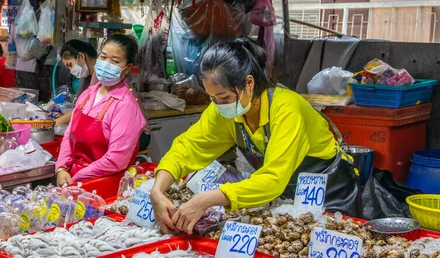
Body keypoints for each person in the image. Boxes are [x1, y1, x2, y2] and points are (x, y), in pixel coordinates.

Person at [150, 38, 359, 234]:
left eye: (224, 97)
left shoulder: (287, 109)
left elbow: (273, 179)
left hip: (330, 195)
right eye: (212, 97)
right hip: (284, 196)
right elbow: (188, 148)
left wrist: (206, 199)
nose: (218, 105)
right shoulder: (224, 111)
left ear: (248, 83)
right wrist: (158, 190)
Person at [55, 34, 146, 185]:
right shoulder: (88, 94)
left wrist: (78, 176)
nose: (106, 64)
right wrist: (61, 168)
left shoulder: (126, 106)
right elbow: (68, 135)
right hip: (73, 179)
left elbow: (116, 160)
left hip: (102, 184)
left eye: (115, 61)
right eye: (103, 57)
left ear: (128, 68)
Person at [54, 39, 99, 126]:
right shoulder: (88, 76)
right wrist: (63, 117)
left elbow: (83, 108)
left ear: (81, 57)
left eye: (70, 65)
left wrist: (55, 123)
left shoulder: (100, 76)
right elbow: (79, 107)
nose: (71, 71)